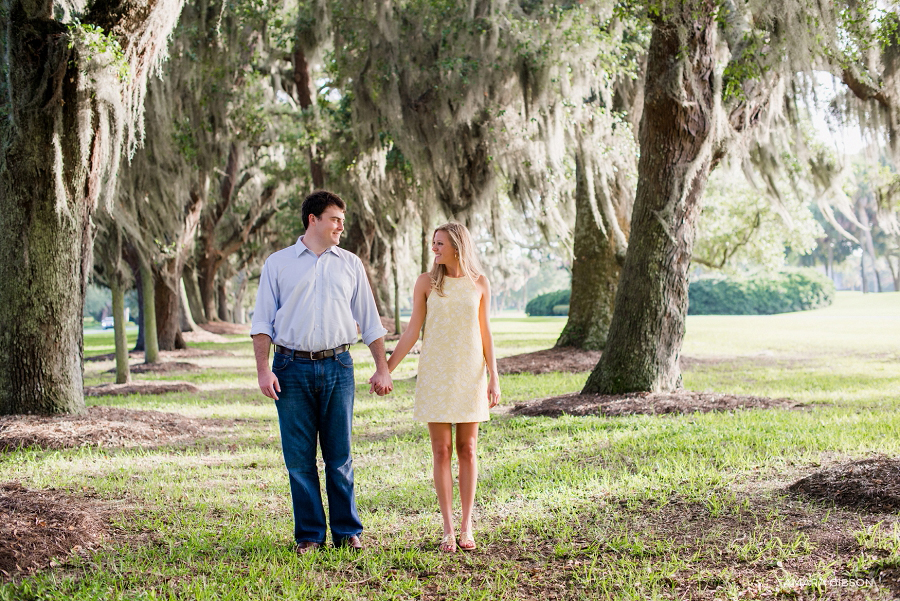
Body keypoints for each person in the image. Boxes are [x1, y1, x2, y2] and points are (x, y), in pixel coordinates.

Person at [250, 189, 393, 554]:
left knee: (339, 455)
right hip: (290, 367)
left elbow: (370, 320)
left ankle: (347, 532)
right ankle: (310, 536)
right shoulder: (278, 263)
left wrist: (383, 368)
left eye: (343, 220)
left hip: (338, 365)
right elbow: (263, 322)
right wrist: (264, 371)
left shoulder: (350, 263)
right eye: (335, 218)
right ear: (312, 219)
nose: (341, 226)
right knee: (299, 459)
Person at [387, 222, 501, 553]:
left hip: (469, 374)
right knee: (441, 450)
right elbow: (411, 332)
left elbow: (486, 332)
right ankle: (448, 529)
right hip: (436, 374)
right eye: (432, 242)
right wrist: (387, 369)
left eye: (439, 243)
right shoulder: (426, 282)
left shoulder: (479, 283)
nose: (434, 248)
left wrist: (494, 375)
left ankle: (467, 527)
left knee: (467, 448)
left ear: (456, 245)